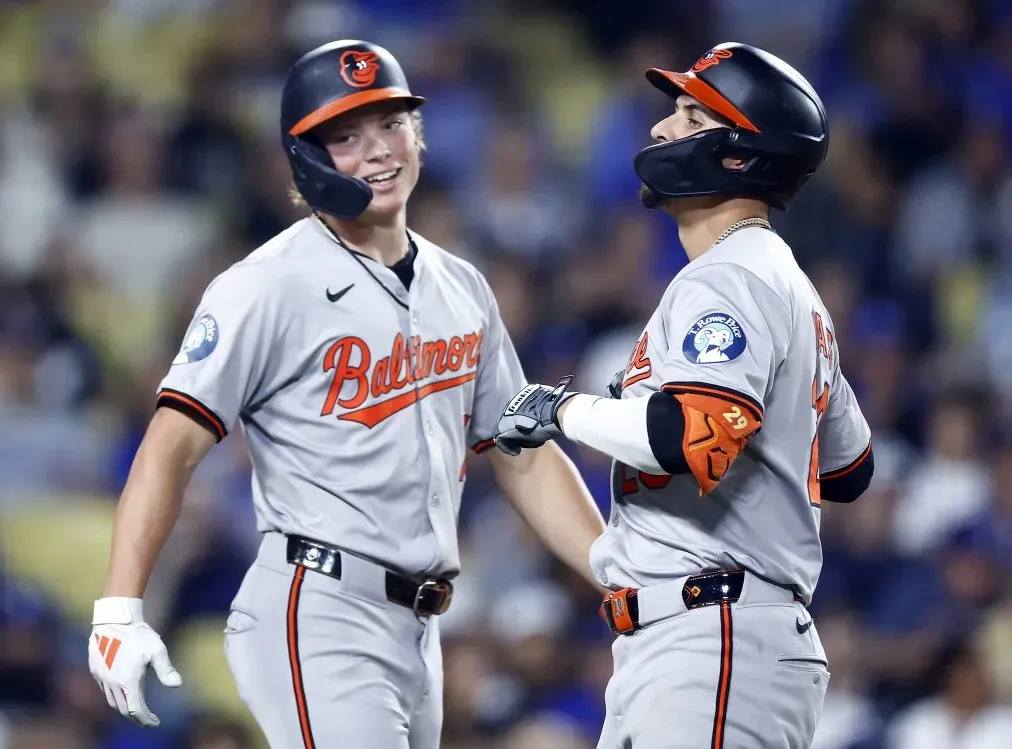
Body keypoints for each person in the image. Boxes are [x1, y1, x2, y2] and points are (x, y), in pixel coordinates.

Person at [87, 39, 605, 749]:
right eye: (346, 136)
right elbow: (170, 445)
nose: (379, 150)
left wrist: (615, 573)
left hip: (422, 625)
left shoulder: (462, 285)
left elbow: (523, 454)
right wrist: (119, 605)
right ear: (306, 159)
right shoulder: (266, 284)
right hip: (318, 608)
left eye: (391, 124)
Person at [493, 42, 874, 748]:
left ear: (740, 152)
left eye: (691, 117)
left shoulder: (731, 277)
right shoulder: (786, 289)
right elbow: (850, 468)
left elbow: (690, 436)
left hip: (715, 639)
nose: (662, 131)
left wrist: (559, 410)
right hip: (705, 638)